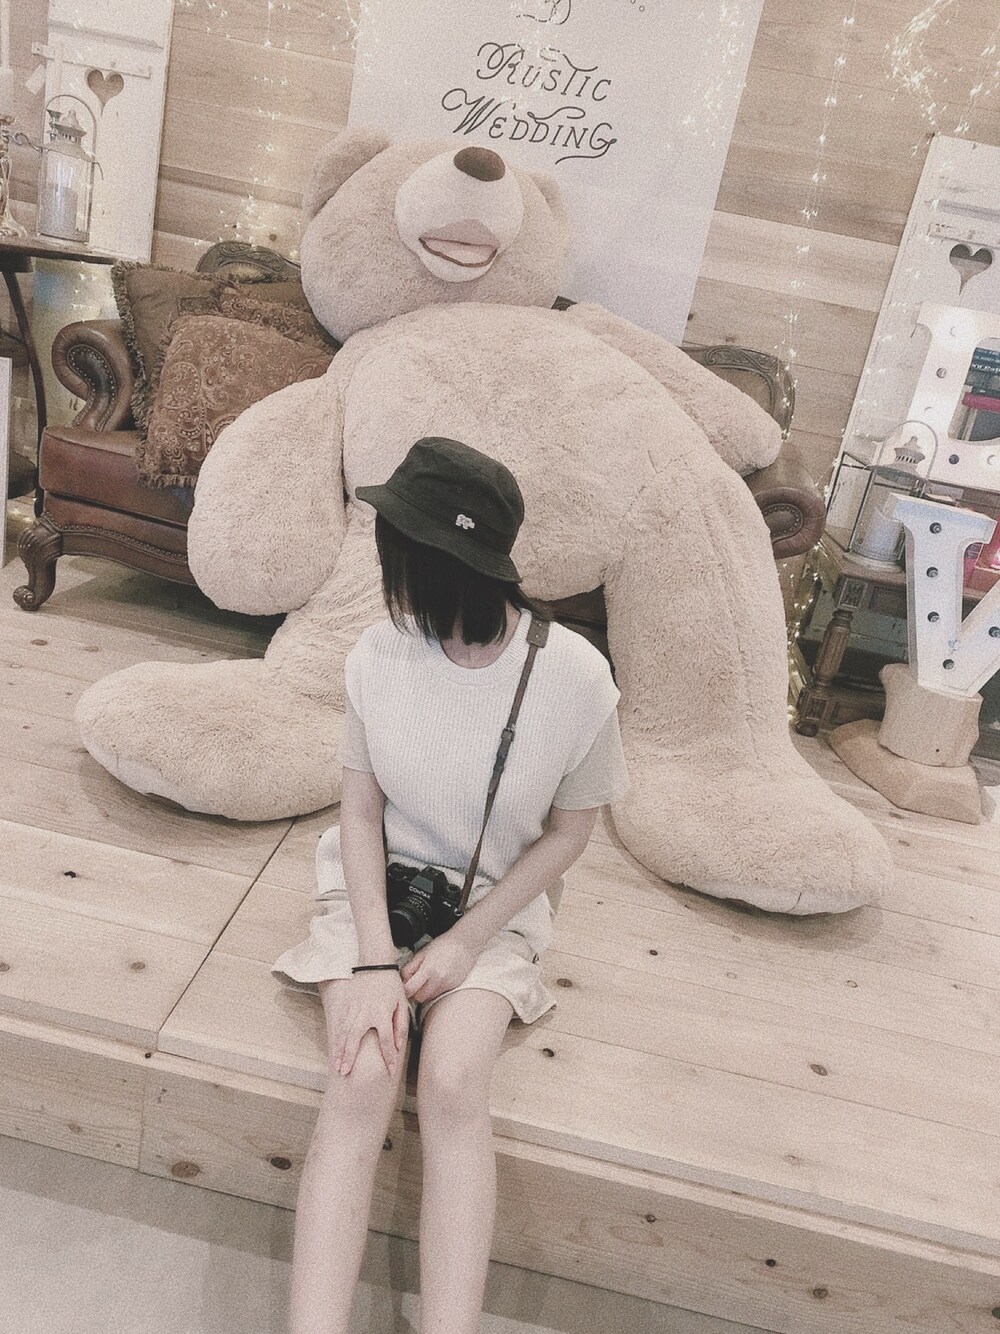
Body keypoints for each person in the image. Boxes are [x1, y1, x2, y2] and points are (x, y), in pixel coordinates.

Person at [271, 436, 629, 1334]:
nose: (384, 570)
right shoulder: (376, 655)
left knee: (456, 1080)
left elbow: (570, 833)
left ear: (434, 562)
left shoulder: (577, 679)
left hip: (493, 912)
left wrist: (469, 940)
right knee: (361, 1074)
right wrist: (373, 960)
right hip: (371, 896)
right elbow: (359, 813)